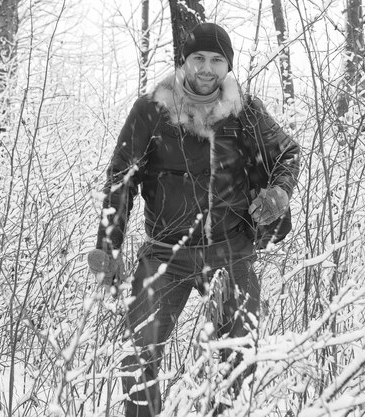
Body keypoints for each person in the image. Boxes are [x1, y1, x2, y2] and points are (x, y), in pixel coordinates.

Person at [88, 22, 300, 417]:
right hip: (165, 256)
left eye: (217, 60)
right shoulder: (151, 111)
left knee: (237, 358)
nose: (206, 68)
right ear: (183, 61)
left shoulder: (245, 111)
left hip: (231, 249)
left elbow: (288, 152)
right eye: (198, 58)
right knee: (138, 354)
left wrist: (279, 193)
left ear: (228, 66)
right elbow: (121, 178)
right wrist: (108, 245)